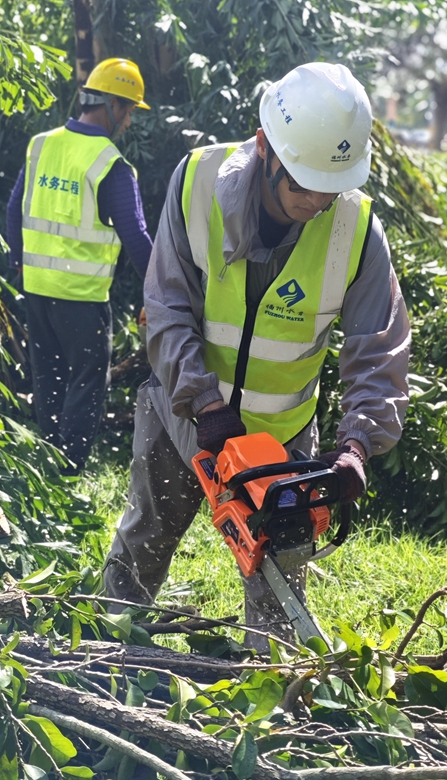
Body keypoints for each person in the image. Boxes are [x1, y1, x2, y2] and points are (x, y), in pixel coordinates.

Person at [103, 61, 411, 650]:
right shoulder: (197, 183)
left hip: (286, 445)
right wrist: (205, 405)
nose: (316, 200)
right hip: (185, 419)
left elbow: (380, 348)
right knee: (143, 544)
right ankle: (101, 657)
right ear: (266, 147)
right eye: (302, 183)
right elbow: (167, 307)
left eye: (330, 186)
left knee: (278, 597)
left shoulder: (358, 230)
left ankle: (266, 704)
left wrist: (356, 446)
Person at [6, 57, 153, 471]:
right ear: (114, 106)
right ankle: (68, 471)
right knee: (87, 386)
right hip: (83, 299)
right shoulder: (111, 165)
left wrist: (20, 262)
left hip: (36, 289)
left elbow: (14, 209)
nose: (127, 123)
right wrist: (165, 292)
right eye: (128, 112)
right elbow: (138, 240)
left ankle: (46, 462)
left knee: (49, 380)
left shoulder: (42, 144)